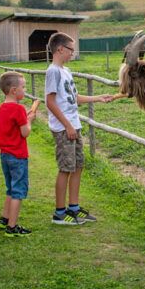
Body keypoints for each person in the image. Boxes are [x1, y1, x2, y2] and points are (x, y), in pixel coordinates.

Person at [44, 33, 116, 225]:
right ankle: (59, 213)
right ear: (60, 49)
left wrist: (98, 98)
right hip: (64, 128)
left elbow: (73, 98)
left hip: (74, 126)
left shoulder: (66, 71)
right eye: (71, 50)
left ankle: (73, 208)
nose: (72, 54)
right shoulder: (53, 72)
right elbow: (50, 102)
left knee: (77, 166)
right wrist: (67, 125)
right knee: (65, 168)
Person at [0, 72, 37, 236]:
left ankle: (4, 219)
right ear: (14, 90)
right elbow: (25, 132)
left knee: (10, 188)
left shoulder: (3, 107)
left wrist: (25, 119)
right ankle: (12, 227)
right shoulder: (19, 108)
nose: (25, 90)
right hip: (18, 156)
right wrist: (30, 120)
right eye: (23, 87)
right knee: (18, 191)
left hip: (5, 155)